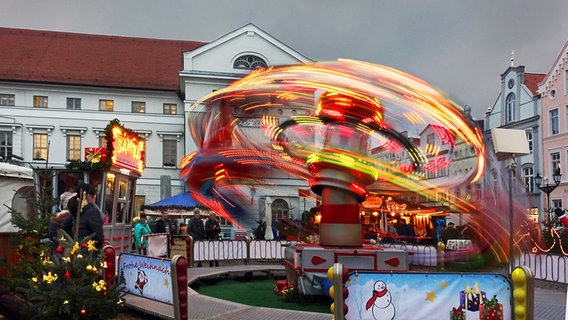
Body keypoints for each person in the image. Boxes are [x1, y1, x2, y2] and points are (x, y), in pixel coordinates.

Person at [66, 183, 105, 249]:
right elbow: (98, 236)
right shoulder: (92, 211)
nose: (94, 200)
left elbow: (64, 225)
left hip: (74, 249)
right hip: (88, 250)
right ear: (88, 196)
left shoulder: (74, 208)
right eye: (94, 197)